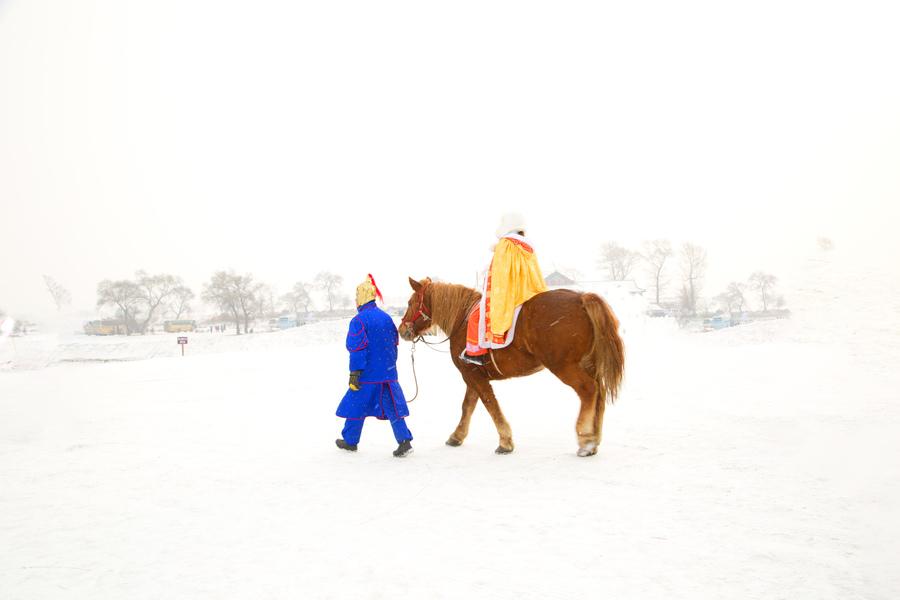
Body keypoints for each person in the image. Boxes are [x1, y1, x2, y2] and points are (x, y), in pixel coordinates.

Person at [335, 274, 414, 457]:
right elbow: (393, 344)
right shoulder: (386, 318)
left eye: (356, 296)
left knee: (355, 406)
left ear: (362, 297)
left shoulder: (359, 321)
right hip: (387, 373)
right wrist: (389, 368)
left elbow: (357, 349)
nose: (355, 301)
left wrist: (355, 373)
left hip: (367, 375)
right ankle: (404, 440)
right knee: (393, 407)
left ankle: (350, 441)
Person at [462, 212, 548, 365]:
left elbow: (499, 273)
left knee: (475, 316)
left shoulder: (505, 244)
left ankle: (476, 353)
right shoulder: (527, 247)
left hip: (511, 292)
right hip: (528, 291)